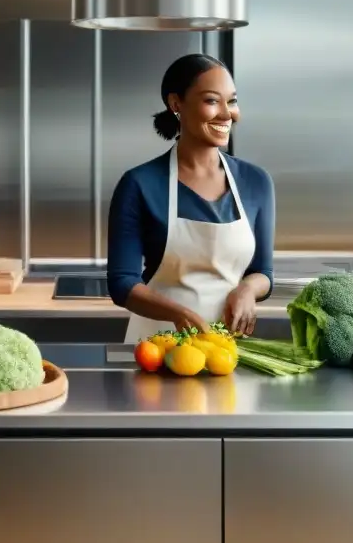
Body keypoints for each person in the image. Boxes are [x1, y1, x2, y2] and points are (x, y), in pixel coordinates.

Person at [107, 53, 275, 344]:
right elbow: (122, 283)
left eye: (232, 101)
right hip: (157, 346)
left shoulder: (256, 182)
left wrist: (247, 289)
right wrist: (179, 314)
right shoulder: (139, 184)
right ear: (176, 104)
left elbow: (263, 272)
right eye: (212, 101)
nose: (227, 113)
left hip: (226, 348)